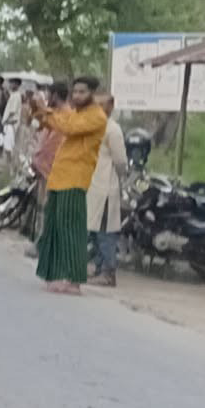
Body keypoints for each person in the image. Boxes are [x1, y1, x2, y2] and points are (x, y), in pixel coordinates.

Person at [29, 76, 110, 294]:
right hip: (58, 177)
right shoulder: (76, 113)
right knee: (54, 228)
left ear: (93, 93)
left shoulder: (96, 117)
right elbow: (54, 121)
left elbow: (69, 127)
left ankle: (73, 280)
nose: (77, 96)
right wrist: (39, 110)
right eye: (75, 92)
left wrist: (46, 111)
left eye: (82, 92)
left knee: (71, 230)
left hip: (75, 179)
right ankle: (54, 275)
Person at [84, 92, 128, 287]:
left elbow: (120, 161)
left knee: (105, 232)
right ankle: (99, 268)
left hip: (106, 188)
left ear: (110, 107)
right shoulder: (93, 127)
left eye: (102, 105)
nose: (98, 109)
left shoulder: (113, 130)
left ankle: (108, 273)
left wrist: (121, 177)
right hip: (92, 186)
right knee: (94, 231)